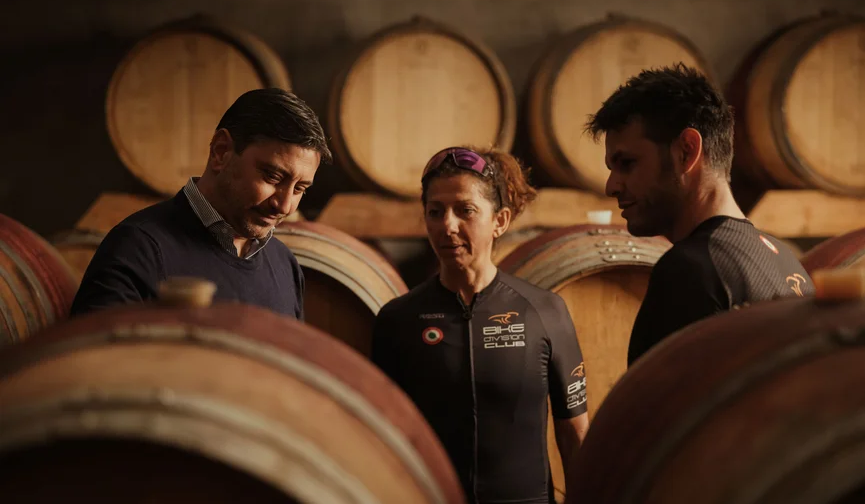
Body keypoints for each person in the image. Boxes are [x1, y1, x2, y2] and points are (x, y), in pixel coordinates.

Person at [371, 146, 589, 504]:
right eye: (435, 212)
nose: (448, 225)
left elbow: (575, 433)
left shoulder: (544, 312)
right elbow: (381, 439)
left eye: (465, 210)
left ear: (499, 221)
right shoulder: (398, 320)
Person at [585, 63, 815, 367]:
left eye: (627, 163)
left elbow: (660, 398)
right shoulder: (784, 259)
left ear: (686, 151)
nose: (611, 186)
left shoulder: (690, 270)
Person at [70, 88, 332, 319]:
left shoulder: (285, 263)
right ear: (221, 151)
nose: (285, 206)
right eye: (272, 177)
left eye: (299, 189)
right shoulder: (137, 248)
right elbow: (95, 359)